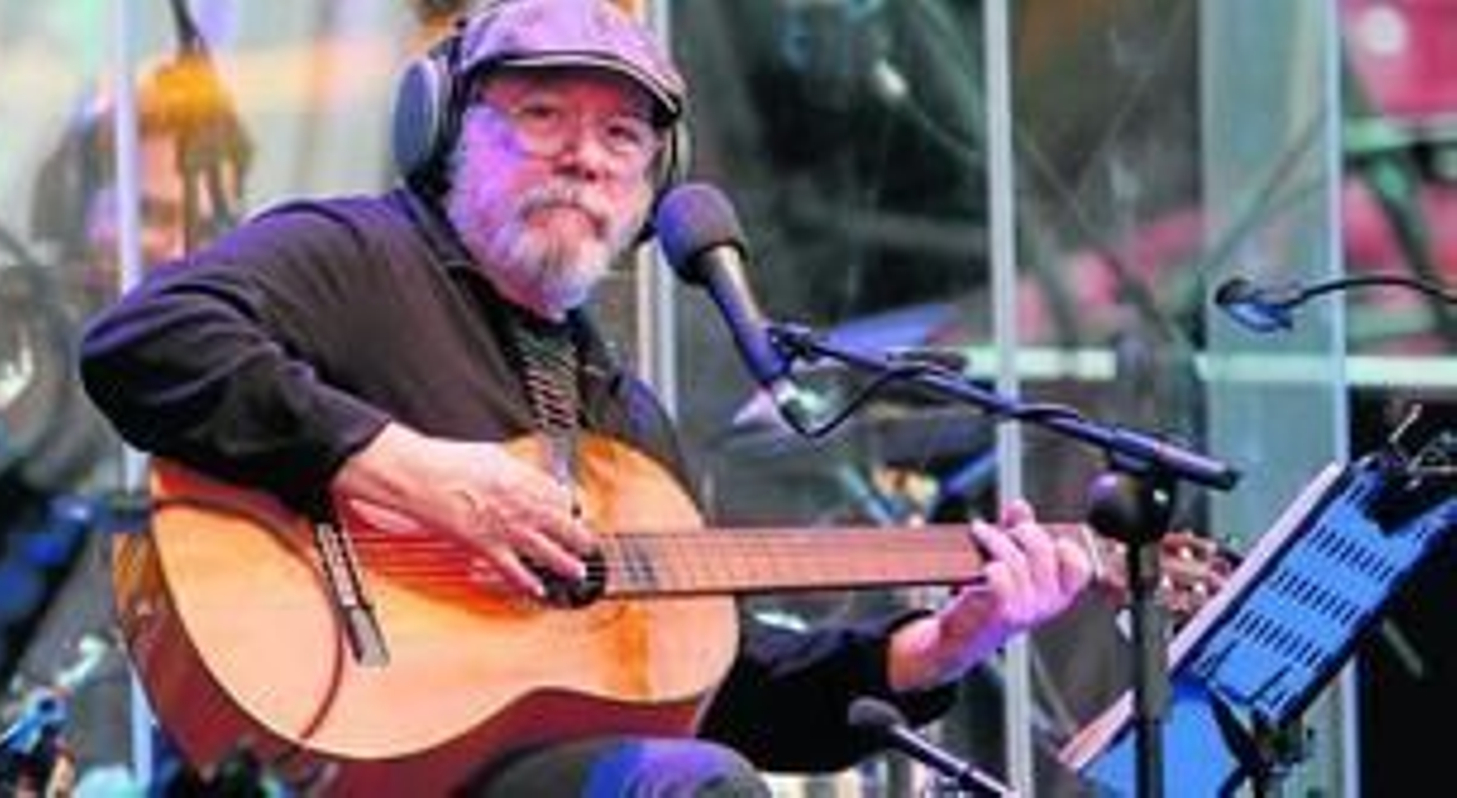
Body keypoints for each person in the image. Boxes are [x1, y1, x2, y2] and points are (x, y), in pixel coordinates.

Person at [77, 0, 1092, 794]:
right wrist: (410, 470)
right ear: (445, 132)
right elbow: (143, 342)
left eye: (622, 137)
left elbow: (709, 694)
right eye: (541, 113)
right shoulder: (357, 254)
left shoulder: (624, 420)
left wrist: (941, 647)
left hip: (525, 773)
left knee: (691, 775)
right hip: (318, 748)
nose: (584, 155)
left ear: (656, 184)